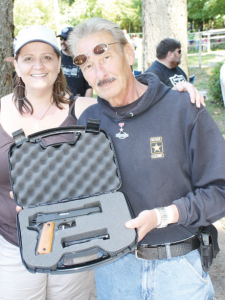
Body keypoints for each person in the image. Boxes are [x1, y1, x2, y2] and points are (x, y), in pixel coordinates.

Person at [68, 17, 225, 300]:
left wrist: (163, 216)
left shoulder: (183, 108)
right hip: (113, 272)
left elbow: (220, 191)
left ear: (128, 53)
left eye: (104, 55)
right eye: (87, 65)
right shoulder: (88, 120)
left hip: (179, 270)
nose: (99, 71)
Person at [0, 24, 96, 300]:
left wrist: (174, 89)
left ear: (58, 62)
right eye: (28, 58)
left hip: (75, 243)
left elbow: (131, 102)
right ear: (16, 65)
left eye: (46, 57)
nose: (38, 65)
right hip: (12, 245)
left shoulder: (85, 109)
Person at [56, 27, 93, 98]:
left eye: (66, 39)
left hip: (79, 103)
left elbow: (89, 86)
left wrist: (86, 105)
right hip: (59, 102)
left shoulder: (82, 59)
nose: (62, 41)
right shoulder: (56, 58)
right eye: (61, 39)